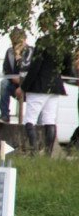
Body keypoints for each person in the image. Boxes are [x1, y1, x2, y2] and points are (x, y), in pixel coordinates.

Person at [21, 13, 74, 155]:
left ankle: (33, 152)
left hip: (39, 86)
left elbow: (35, 67)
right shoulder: (64, 43)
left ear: (44, 24)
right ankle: (48, 154)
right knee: (49, 120)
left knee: (30, 120)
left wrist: (24, 86)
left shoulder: (42, 42)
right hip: (55, 86)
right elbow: (67, 69)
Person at [0, 28, 34, 124]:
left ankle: (35, 122)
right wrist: (14, 79)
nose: (15, 45)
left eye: (18, 42)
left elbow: (32, 71)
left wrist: (22, 83)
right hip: (14, 84)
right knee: (4, 83)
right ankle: (5, 115)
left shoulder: (31, 51)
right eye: (13, 42)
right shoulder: (9, 52)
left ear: (24, 40)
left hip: (30, 86)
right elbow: (6, 70)